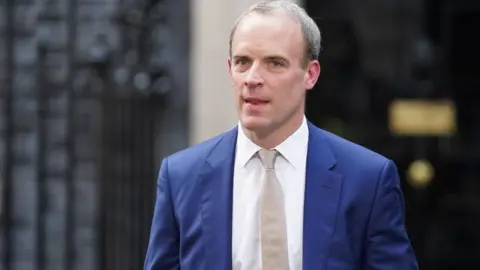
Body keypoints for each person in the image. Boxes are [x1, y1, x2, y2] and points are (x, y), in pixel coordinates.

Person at [144, 1, 418, 269]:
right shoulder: (181, 177)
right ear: (230, 70)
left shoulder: (367, 179)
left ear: (310, 75)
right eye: (243, 62)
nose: (252, 78)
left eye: (274, 63)